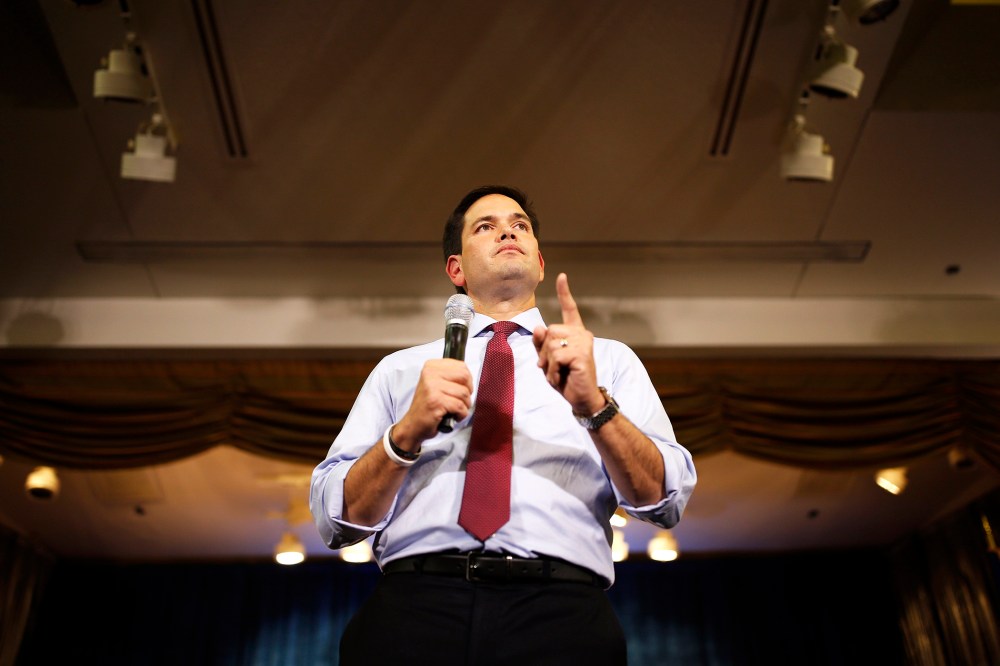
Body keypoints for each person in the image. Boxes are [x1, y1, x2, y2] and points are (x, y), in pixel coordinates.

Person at [310, 185, 696, 665]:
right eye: (485, 226)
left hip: (561, 615)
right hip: (415, 612)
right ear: (456, 269)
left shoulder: (604, 360)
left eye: (520, 225)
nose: (507, 231)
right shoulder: (400, 370)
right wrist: (406, 433)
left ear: (538, 260)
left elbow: (665, 499)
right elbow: (334, 519)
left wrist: (595, 405)